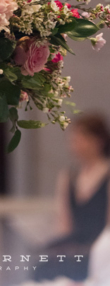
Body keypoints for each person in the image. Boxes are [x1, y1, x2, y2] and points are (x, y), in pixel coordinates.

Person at [34, 114, 110, 283]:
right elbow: (64, 225)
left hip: (99, 247)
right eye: (73, 139)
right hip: (75, 243)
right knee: (43, 261)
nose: (75, 144)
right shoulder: (69, 177)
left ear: (98, 141)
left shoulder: (107, 175)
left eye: (81, 138)